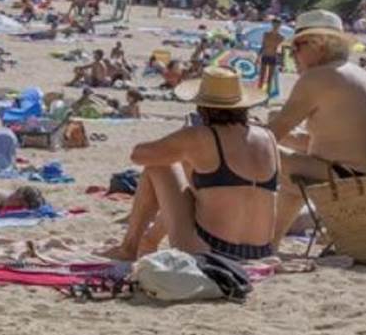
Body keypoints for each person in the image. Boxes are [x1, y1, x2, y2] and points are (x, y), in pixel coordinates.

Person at [105, 67, 279, 261]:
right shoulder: (268, 136)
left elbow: (138, 155)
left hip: (213, 250)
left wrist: (182, 140)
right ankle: (149, 241)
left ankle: (129, 248)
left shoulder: (200, 136)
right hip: (261, 252)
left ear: (202, 106)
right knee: (201, 183)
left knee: (161, 166)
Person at [265, 10, 366, 242]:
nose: (293, 56)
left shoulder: (318, 77)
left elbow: (274, 133)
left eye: (297, 48)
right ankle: (269, 240)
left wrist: (237, 136)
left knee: (259, 154)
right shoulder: (360, 74)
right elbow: (328, 140)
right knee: (292, 176)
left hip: (346, 178)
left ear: (318, 45)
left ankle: (241, 230)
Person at [257, 18, 285, 90]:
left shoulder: (281, 37)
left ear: (280, 26)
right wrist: (258, 57)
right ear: (272, 24)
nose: (276, 26)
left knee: (270, 77)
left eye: (278, 25)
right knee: (262, 76)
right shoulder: (266, 34)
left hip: (273, 57)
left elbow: (281, 51)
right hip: (265, 55)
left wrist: (282, 62)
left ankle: (268, 93)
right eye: (274, 24)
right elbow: (263, 46)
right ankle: (259, 91)